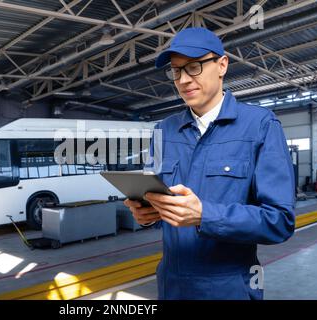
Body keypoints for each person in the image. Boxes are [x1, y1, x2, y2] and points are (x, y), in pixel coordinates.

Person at [124, 27, 295, 300]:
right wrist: (147, 215)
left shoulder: (260, 125)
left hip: (230, 288)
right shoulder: (163, 130)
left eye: (193, 67)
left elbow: (280, 222)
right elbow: (160, 203)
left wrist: (205, 215)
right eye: (176, 71)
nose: (183, 80)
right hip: (172, 286)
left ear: (222, 65)